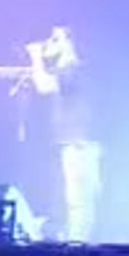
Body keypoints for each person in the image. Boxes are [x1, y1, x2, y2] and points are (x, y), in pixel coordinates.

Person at [26, 27, 102, 241]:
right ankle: (74, 242)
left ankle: (77, 246)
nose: (47, 43)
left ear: (68, 41)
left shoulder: (71, 68)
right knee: (75, 201)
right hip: (76, 145)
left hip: (79, 146)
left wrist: (35, 56)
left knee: (79, 202)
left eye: (54, 39)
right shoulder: (70, 69)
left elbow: (43, 85)